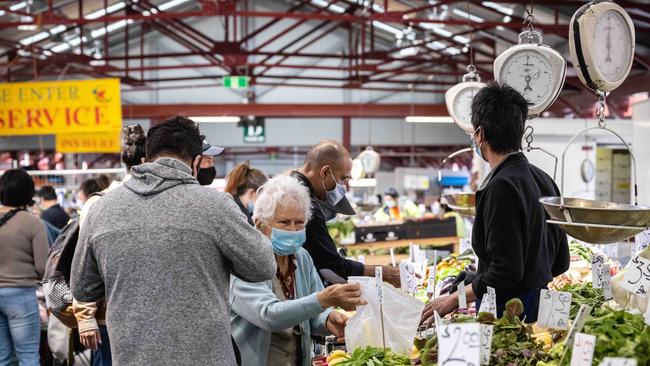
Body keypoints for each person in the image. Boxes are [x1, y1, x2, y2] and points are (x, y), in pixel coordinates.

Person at [70, 116, 276, 365]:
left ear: (147, 158)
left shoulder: (101, 209)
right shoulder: (216, 206)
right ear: (196, 162)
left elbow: (82, 288)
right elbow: (263, 267)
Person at [422, 82, 569, 323]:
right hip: (543, 306)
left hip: (508, 316)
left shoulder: (500, 187)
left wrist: (455, 298)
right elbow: (561, 261)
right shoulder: (544, 180)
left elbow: (506, 271)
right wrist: (533, 279)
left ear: (479, 134)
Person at [230, 175, 365, 366]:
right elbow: (269, 315)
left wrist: (328, 319)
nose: (293, 230)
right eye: (284, 222)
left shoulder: (302, 257)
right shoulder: (245, 261)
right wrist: (324, 299)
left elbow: (314, 313)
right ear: (261, 225)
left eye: (299, 222)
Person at [73, 124, 147, 366]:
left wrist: (85, 317)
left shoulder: (96, 203)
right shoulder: (100, 203)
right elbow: (85, 265)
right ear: (147, 159)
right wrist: (85, 317)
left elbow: (84, 263)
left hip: (108, 315)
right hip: (126, 315)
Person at [292, 140, 400, 287]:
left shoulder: (291, 189)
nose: (343, 186)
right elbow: (332, 268)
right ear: (325, 172)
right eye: (343, 178)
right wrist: (385, 273)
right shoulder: (305, 205)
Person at [0, 169, 49, 365]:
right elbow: (42, 267)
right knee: (27, 357)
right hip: (20, 295)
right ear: (28, 193)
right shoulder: (32, 223)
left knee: (2, 359)